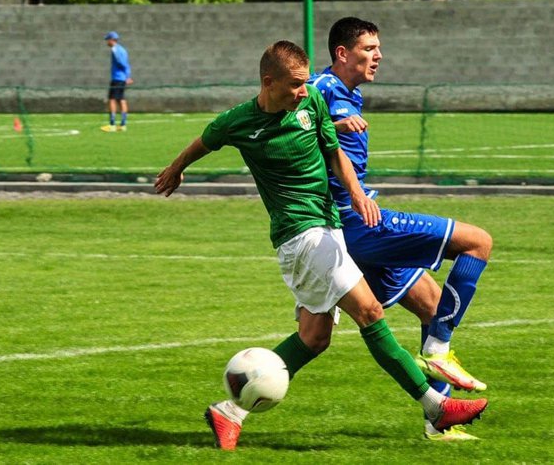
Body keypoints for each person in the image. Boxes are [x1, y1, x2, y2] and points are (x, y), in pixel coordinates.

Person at [155, 40, 487, 451]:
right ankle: (437, 408)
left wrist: (357, 194)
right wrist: (175, 170)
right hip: (302, 235)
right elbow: (203, 141)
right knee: (370, 311)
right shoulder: (238, 121)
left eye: (303, 82)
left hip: (328, 230)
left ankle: (230, 412)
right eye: (294, 84)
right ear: (268, 82)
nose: (302, 89)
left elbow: (334, 153)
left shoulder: (310, 101)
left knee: (314, 338)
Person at [309, 18, 493, 441]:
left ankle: (440, 423)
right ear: (342, 53)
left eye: (378, 48)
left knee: (428, 304)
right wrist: (331, 128)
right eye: (369, 48)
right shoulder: (320, 89)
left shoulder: (349, 95)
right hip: (357, 222)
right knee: (478, 241)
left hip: (354, 229)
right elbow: (283, 128)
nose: (379, 55)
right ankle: (438, 351)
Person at [101, 31, 133, 132]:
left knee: (112, 99)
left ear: (112, 40)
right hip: (122, 79)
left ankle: (112, 124)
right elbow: (127, 63)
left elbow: (122, 63)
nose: (107, 42)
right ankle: (123, 124)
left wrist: (127, 76)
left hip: (117, 78)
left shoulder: (115, 50)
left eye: (108, 40)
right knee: (121, 99)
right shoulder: (123, 49)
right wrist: (127, 76)